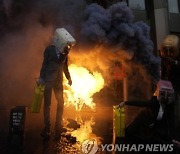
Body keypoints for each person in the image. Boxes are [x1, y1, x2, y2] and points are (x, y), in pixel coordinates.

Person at [38, 28, 75, 140]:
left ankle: (58, 125)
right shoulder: (49, 50)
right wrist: (41, 78)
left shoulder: (65, 53)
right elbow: (44, 65)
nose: (68, 47)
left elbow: (65, 66)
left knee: (61, 103)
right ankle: (47, 127)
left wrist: (69, 78)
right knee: (47, 104)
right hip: (48, 80)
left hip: (58, 81)